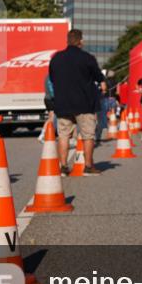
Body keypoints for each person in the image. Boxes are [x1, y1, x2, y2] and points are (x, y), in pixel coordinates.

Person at [48, 29, 103, 176]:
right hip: (85, 104)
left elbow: (52, 79)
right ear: (81, 41)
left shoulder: (56, 58)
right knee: (88, 136)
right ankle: (89, 166)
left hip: (63, 103)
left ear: (67, 40)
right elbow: (98, 77)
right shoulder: (87, 58)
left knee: (64, 135)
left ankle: (64, 167)